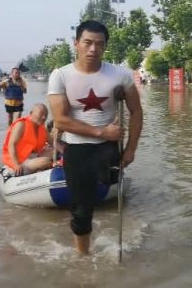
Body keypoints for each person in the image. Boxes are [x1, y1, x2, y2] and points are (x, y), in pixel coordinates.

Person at [48, 20, 143, 255]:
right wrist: (101, 131)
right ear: (76, 44)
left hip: (108, 147)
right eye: (88, 43)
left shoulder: (120, 75)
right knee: (81, 211)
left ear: (105, 46)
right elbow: (60, 120)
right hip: (77, 150)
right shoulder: (60, 75)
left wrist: (130, 149)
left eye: (99, 44)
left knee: (107, 193)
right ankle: (83, 257)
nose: (93, 49)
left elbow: (136, 111)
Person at [1, 104, 55, 176]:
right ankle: (46, 168)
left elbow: (55, 144)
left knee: (54, 151)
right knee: (46, 161)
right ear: (31, 113)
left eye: (46, 115)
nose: (44, 117)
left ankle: (43, 168)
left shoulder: (42, 129)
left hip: (33, 157)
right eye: (41, 114)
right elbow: (11, 145)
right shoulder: (21, 124)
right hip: (19, 161)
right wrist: (16, 164)